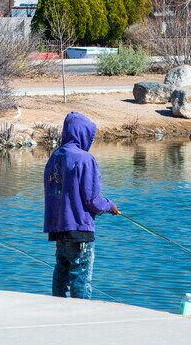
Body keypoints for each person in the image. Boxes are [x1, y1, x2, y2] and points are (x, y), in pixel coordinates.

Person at [44, 111, 120, 299]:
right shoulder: (85, 159)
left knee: (61, 274)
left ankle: (57, 312)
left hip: (59, 229)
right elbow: (92, 200)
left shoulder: (54, 157)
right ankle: (80, 316)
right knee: (80, 277)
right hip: (79, 229)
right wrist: (109, 206)